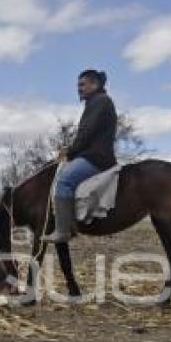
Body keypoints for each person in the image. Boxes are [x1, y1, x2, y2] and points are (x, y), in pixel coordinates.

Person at [42, 69, 118, 243]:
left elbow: (86, 133)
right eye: (78, 85)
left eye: (82, 84)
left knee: (64, 182)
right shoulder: (97, 102)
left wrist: (70, 151)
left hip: (96, 158)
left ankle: (63, 231)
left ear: (95, 84)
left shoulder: (99, 102)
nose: (79, 88)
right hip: (94, 154)